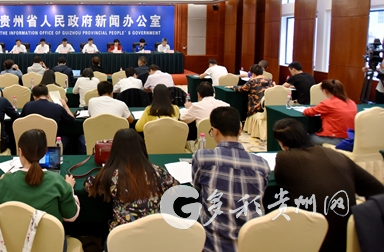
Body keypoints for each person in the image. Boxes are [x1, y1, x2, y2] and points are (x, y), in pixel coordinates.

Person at [273, 119, 384, 252]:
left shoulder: (284, 158)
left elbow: (280, 181)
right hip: (352, 234)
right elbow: (376, 189)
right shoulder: (336, 155)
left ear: (282, 143)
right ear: (306, 135)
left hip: (314, 239)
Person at [0, 129, 80, 251]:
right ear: (45, 152)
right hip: (51, 246)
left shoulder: (4, 182)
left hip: (14, 246)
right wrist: (69, 188)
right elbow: (71, 216)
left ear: (20, 152)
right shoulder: (57, 181)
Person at [192, 107, 270, 252]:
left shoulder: (202, 158)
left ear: (214, 131)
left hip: (213, 246)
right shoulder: (261, 165)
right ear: (240, 130)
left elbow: (197, 189)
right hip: (251, 244)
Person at [84, 128, 178, 232]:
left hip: (124, 235)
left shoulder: (111, 175)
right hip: (156, 232)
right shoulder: (157, 171)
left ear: (114, 150)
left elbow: (90, 186)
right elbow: (175, 187)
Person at [303, 79, 357, 146]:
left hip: (335, 139)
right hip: (351, 139)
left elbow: (308, 112)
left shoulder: (327, 103)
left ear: (325, 91)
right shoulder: (352, 102)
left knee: (306, 137)